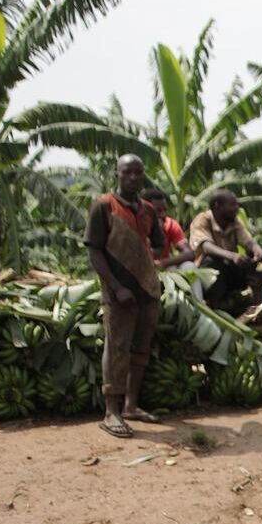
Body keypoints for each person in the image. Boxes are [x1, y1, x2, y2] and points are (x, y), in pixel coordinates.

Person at [86, 155, 166, 438]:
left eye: (138, 172)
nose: (133, 177)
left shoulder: (147, 209)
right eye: (127, 172)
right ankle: (111, 411)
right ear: (117, 175)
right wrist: (117, 285)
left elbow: (158, 244)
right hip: (118, 291)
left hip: (147, 289)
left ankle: (131, 405)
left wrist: (142, 262)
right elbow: (94, 250)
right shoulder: (104, 206)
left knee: (141, 347)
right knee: (117, 347)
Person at [188, 188, 262, 314]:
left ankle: (261, 308)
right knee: (212, 261)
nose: (237, 208)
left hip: (230, 271)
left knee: (253, 263)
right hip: (208, 276)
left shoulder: (234, 221)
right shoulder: (202, 220)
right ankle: (217, 307)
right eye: (232, 205)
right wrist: (233, 256)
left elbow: (248, 242)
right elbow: (206, 247)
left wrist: (257, 250)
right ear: (217, 206)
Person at [142, 186, 192, 270]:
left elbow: (189, 253)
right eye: (158, 211)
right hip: (142, 269)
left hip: (165, 267)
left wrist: (164, 262)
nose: (163, 215)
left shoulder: (170, 224)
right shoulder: (135, 224)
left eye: (165, 210)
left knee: (189, 266)